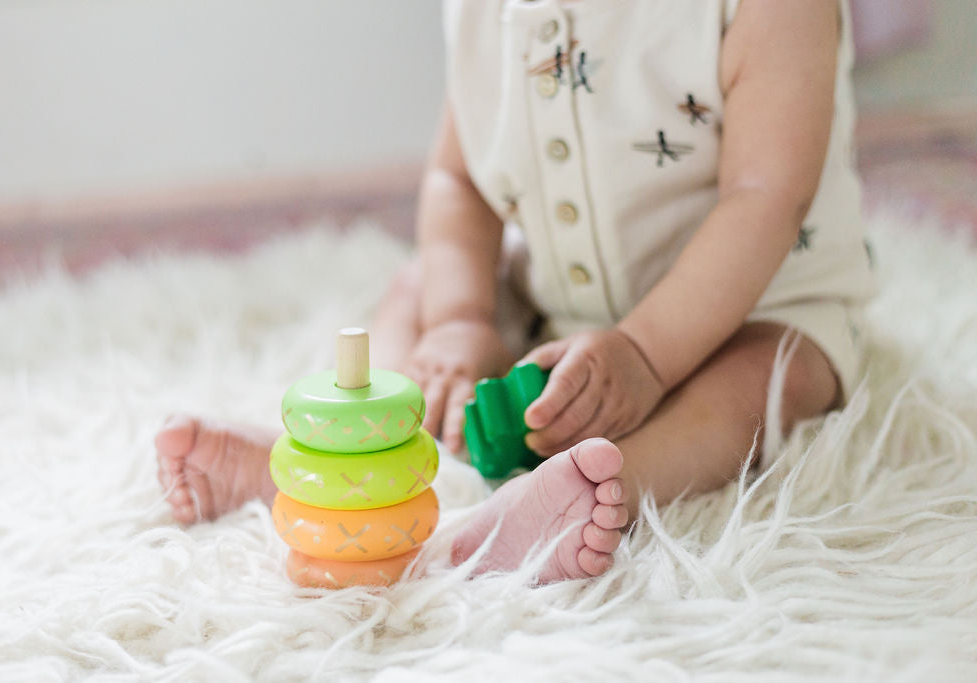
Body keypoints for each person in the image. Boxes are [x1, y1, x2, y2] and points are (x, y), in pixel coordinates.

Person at [156, 0, 874, 583]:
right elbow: (458, 178)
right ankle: (346, 467)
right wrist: (461, 320)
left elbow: (764, 198)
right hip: (551, 293)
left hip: (749, 306)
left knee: (774, 377)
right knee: (420, 290)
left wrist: (647, 356)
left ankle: (599, 487)